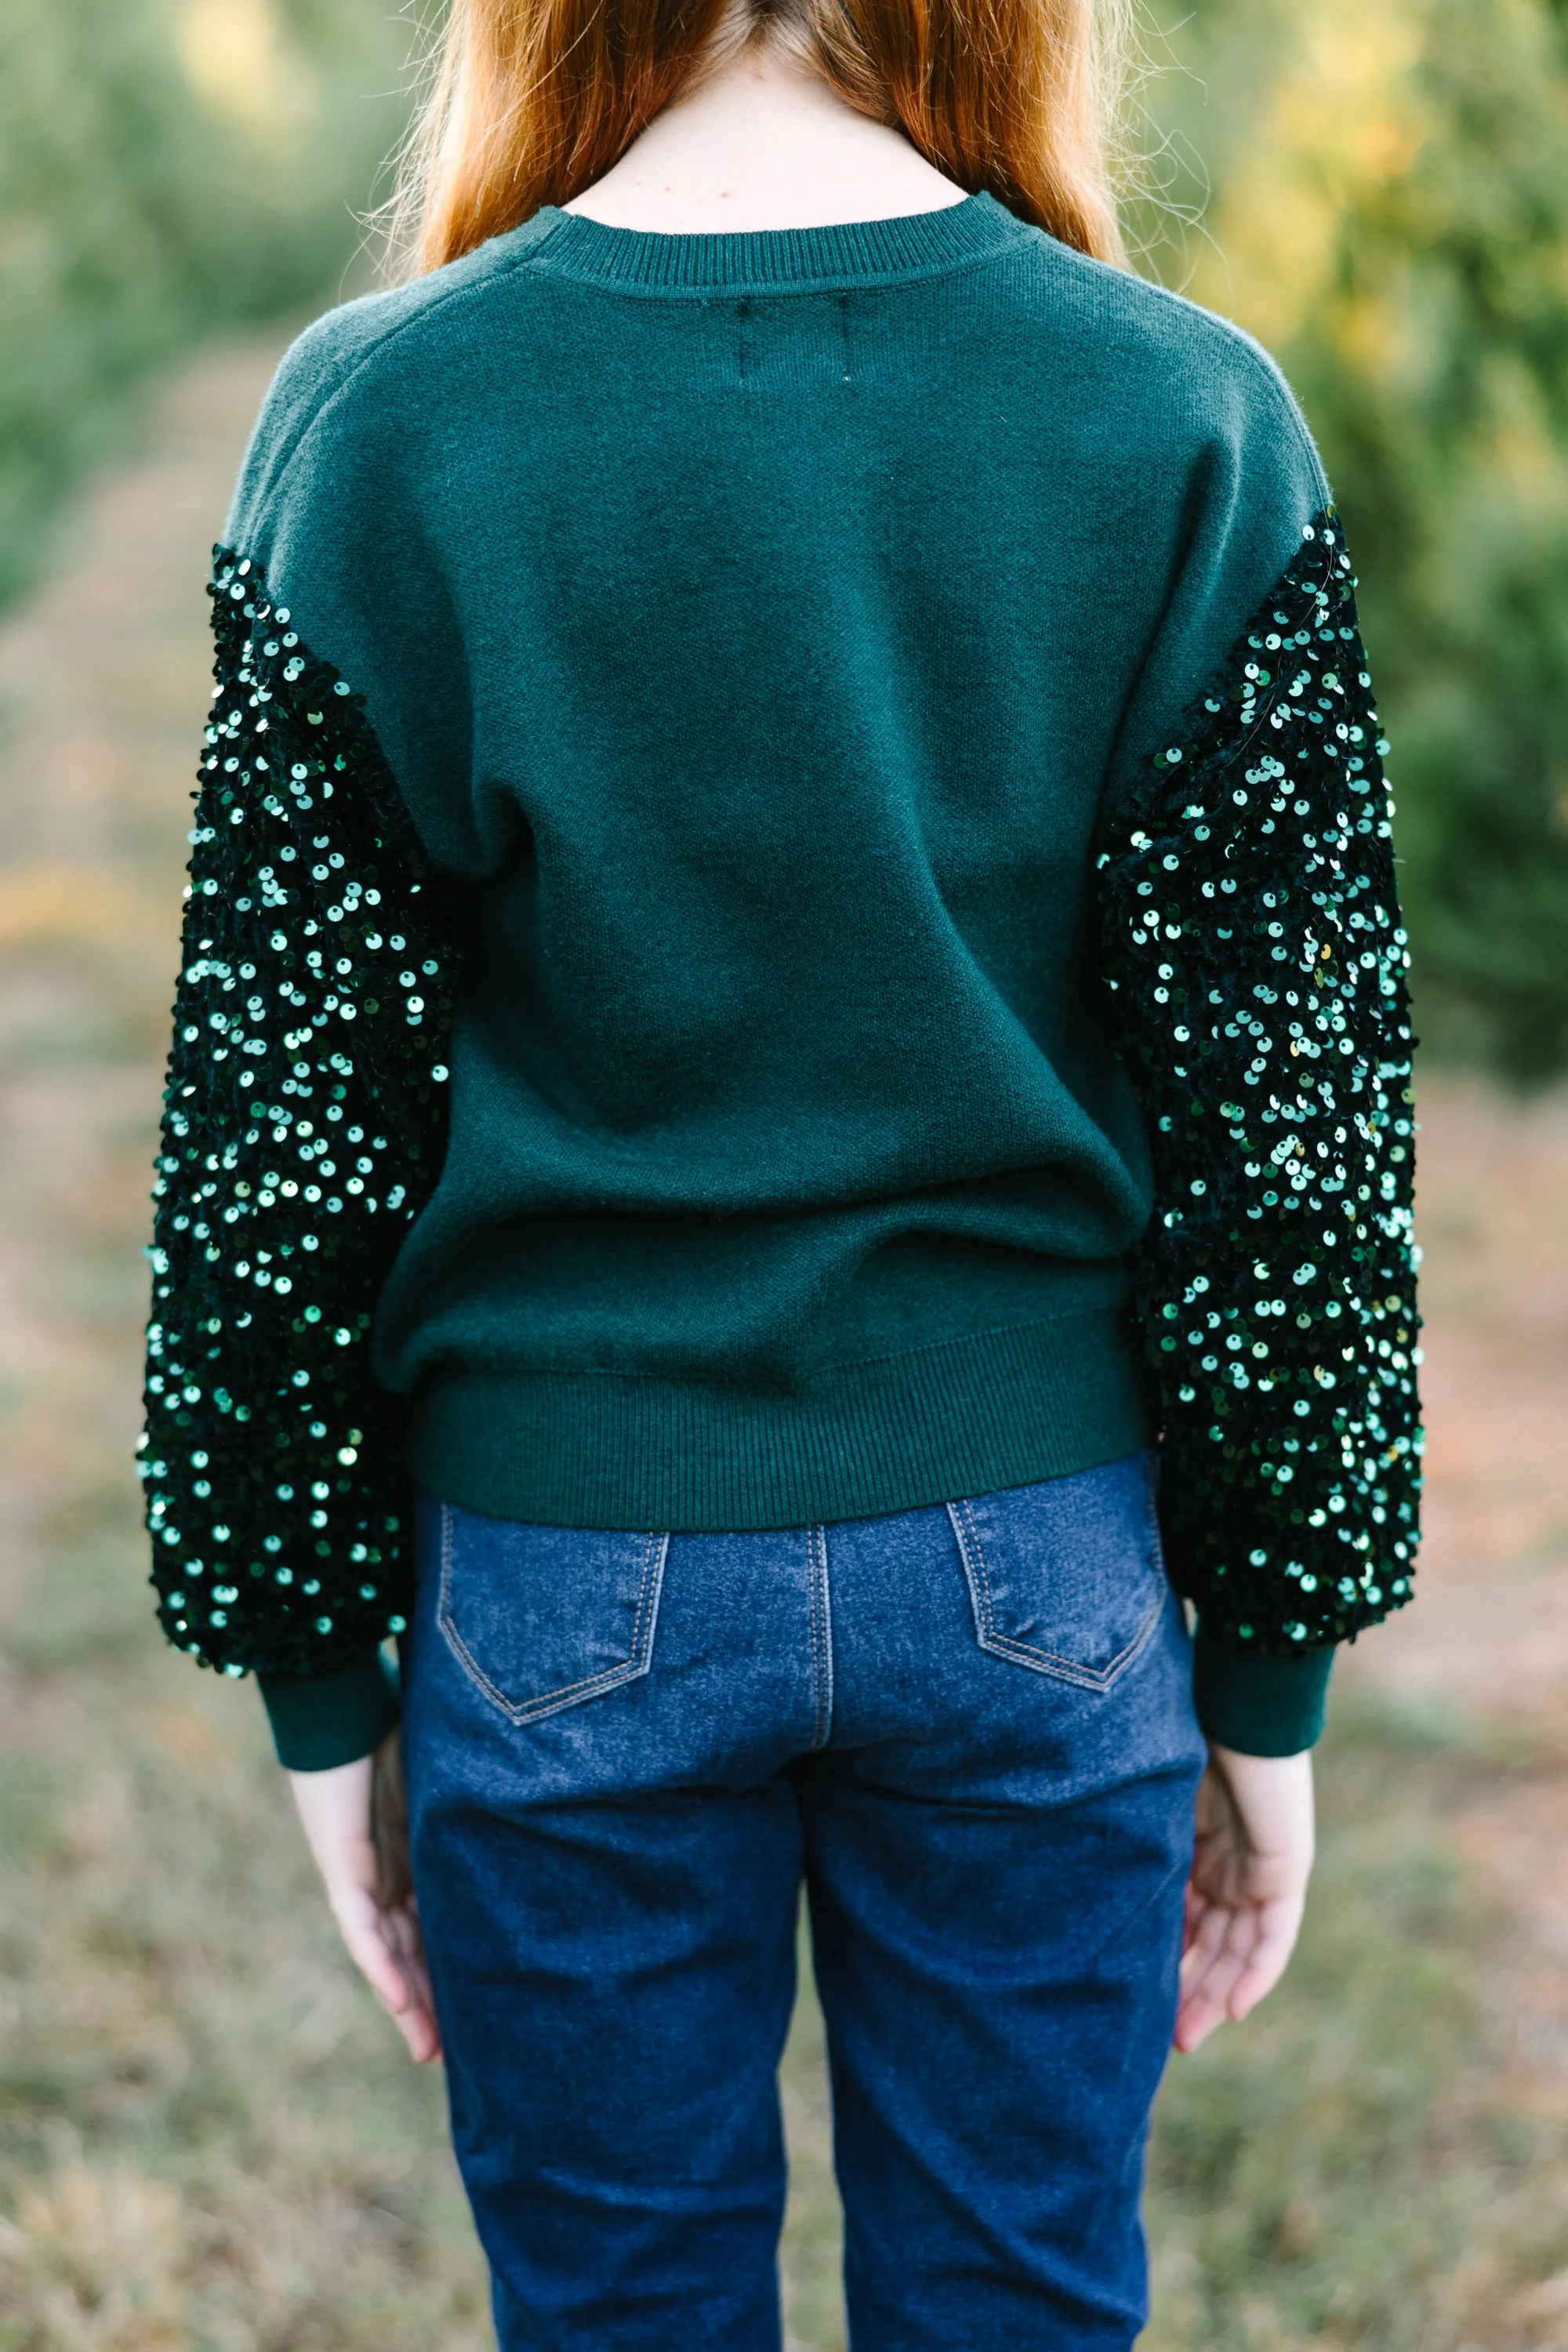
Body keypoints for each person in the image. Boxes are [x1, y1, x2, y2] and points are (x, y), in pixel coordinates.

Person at [138, 0, 1421, 2339]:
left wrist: (327, 1703)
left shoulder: (383, 419)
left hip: (561, 1586)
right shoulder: (1181, 411)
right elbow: (1295, 1153)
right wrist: (1270, 1694)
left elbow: (276, 1146)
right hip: (1042, 1573)